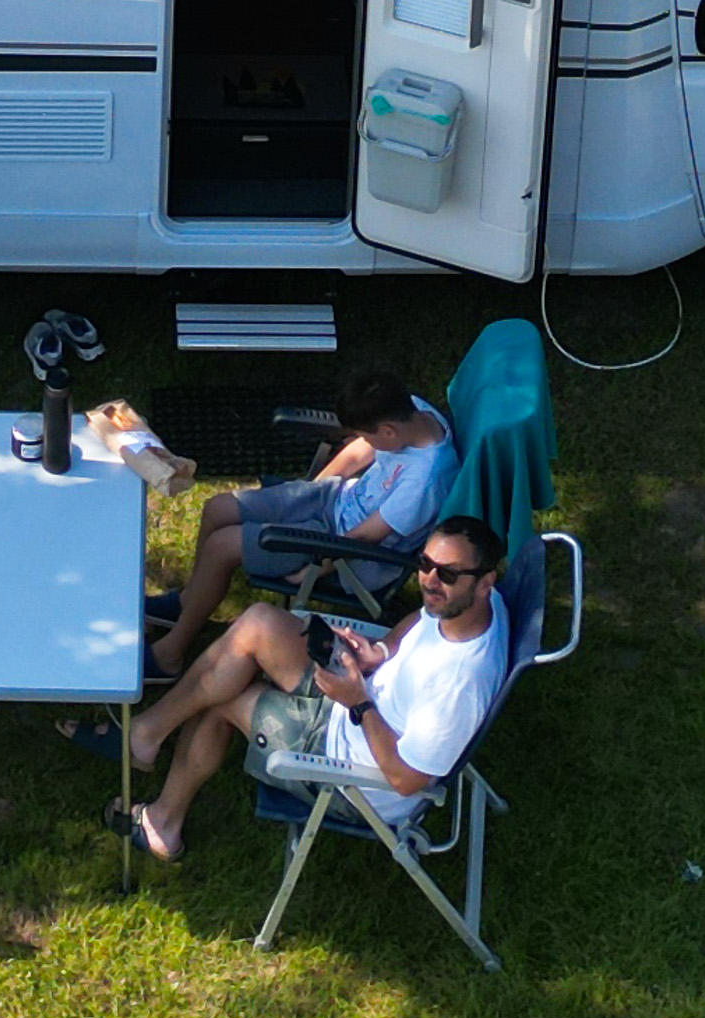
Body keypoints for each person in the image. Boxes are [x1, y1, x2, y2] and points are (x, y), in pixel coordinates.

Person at [117, 513, 515, 863]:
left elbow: (406, 780)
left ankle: (163, 823)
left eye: (446, 574)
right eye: (424, 564)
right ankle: (149, 732)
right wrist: (380, 651)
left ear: (484, 582)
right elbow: (421, 617)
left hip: (354, 768)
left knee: (225, 697)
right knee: (258, 622)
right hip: (361, 693)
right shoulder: (470, 603)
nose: (430, 581)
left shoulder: (459, 683)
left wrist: (359, 704)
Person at [143, 369, 450, 677]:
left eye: (369, 435)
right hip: (332, 500)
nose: (366, 442)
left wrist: (315, 570)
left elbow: (366, 538)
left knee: (221, 547)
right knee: (217, 509)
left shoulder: (425, 480)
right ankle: (188, 603)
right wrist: (307, 492)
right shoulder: (412, 412)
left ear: (388, 432)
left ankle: (170, 655)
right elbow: (358, 453)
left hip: (342, 549)